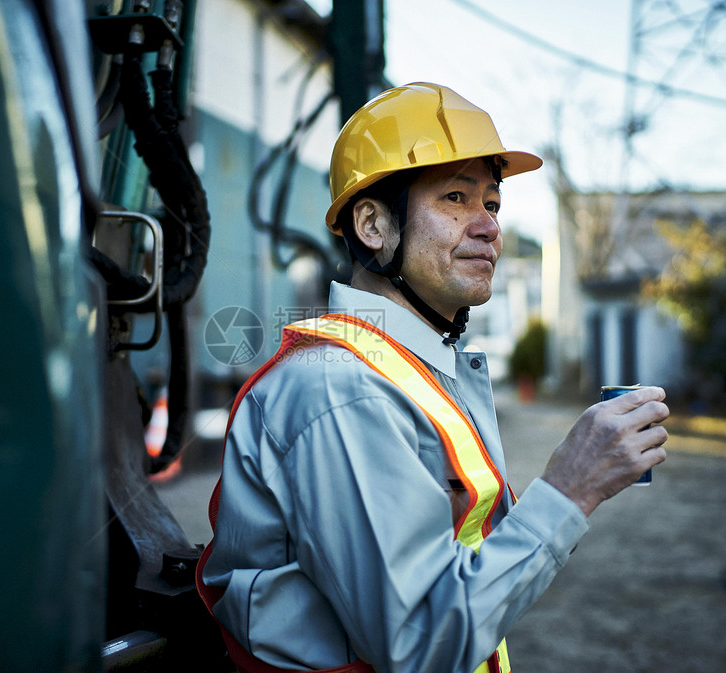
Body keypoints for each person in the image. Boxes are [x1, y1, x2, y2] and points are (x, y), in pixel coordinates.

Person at [196, 82, 669, 673]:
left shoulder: (419, 365)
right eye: (455, 197)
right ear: (372, 225)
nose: (489, 226)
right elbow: (419, 639)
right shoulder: (340, 388)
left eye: (492, 204)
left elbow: (463, 565)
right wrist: (570, 488)